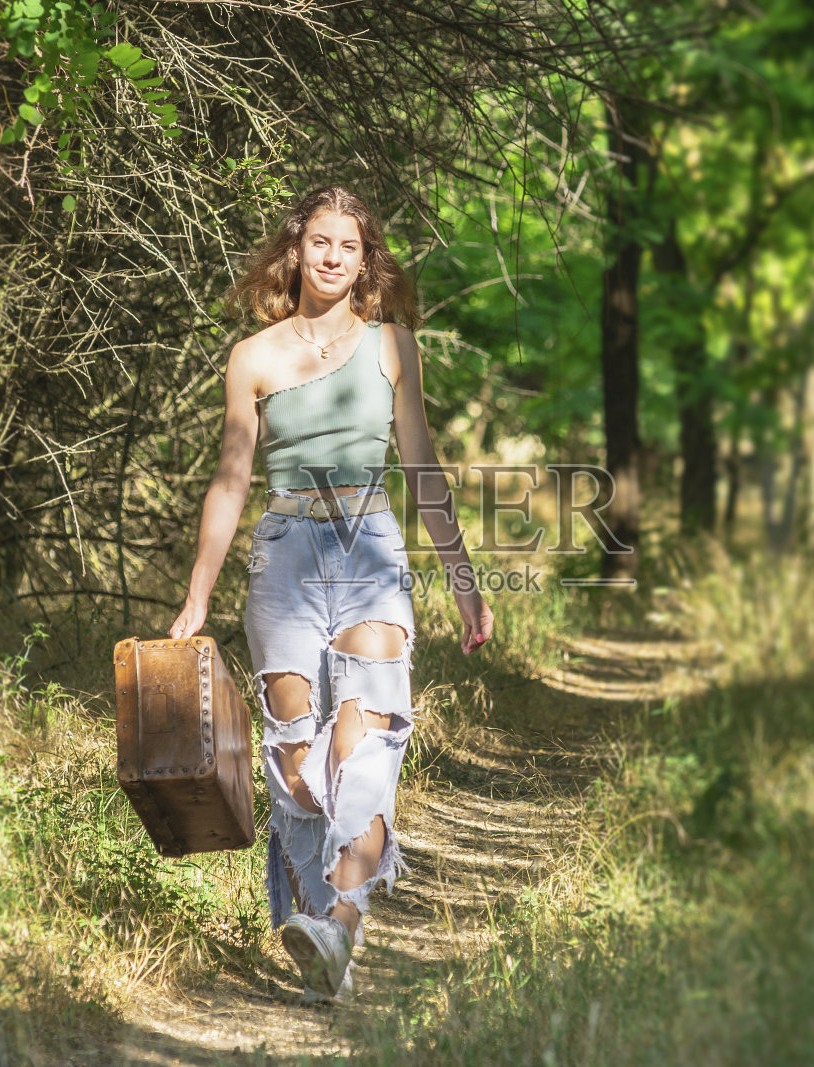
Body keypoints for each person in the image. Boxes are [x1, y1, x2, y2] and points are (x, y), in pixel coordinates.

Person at [168, 185, 493, 1002]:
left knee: (366, 736)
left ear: (366, 259)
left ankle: (343, 918)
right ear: (297, 250)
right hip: (284, 553)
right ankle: (317, 929)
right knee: (293, 756)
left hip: (372, 548)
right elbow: (231, 477)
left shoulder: (393, 346)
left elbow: (422, 469)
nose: (333, 255)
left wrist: (464, 580)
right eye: (319, 241)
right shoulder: (254, 357)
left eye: (348, 244)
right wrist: (198, 592)